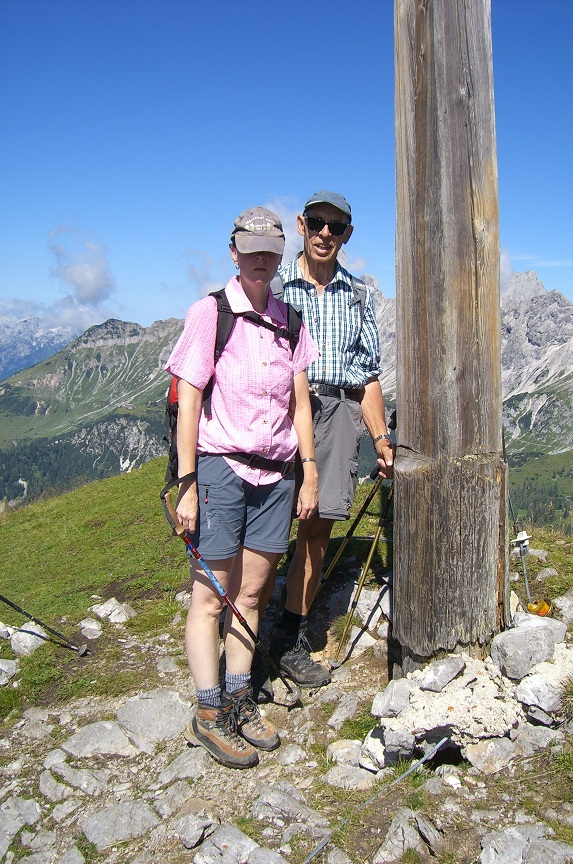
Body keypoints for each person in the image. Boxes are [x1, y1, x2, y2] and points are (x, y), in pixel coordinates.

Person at [165, 207, 319, 769]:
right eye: (250, 249)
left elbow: (300, 402)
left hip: (276, 476)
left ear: (281, 254)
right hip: (222, 470)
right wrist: (186, 484)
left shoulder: (291, 322)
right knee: (211, 595)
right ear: (233, 251)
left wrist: (310, 471)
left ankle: (237, 696)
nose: (260, 259)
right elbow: (189, 401)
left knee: (251, 595)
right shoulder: (211, 313)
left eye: (269, 250)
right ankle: (209, 713)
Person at [265, 190, 394, 690]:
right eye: (317, 223)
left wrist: (381, 437)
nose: (324, 234)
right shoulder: (275, 289)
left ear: (347, 236)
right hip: (281, 411)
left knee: (317, 527)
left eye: (335, 228)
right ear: (301, 224)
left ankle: (289, 639)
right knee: (270, 519)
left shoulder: (358, 295)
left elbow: (368, 378)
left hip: (339, 412)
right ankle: (248, 629)